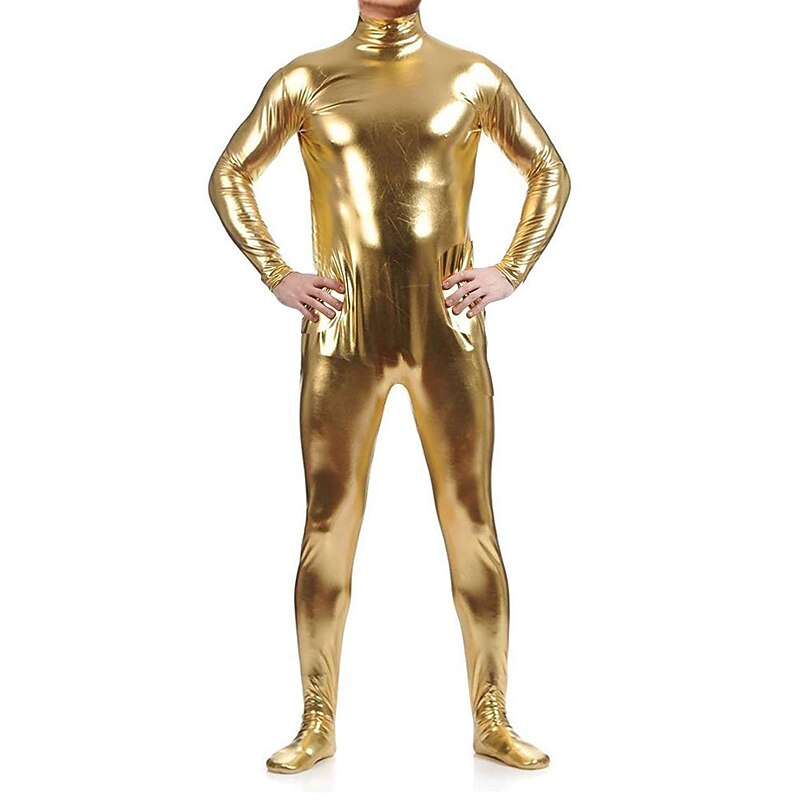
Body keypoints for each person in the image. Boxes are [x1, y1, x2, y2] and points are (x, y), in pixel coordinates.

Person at [208, 0, 570, 773]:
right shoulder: (306, 80)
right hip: (344, 337)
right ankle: (316, 719)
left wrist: (512, 269)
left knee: (471, 519)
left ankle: (492, 716)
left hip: (447, 334)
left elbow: (549, 170)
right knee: (328, 522)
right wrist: (277, 272)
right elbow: (230, 174)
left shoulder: (473, 77)